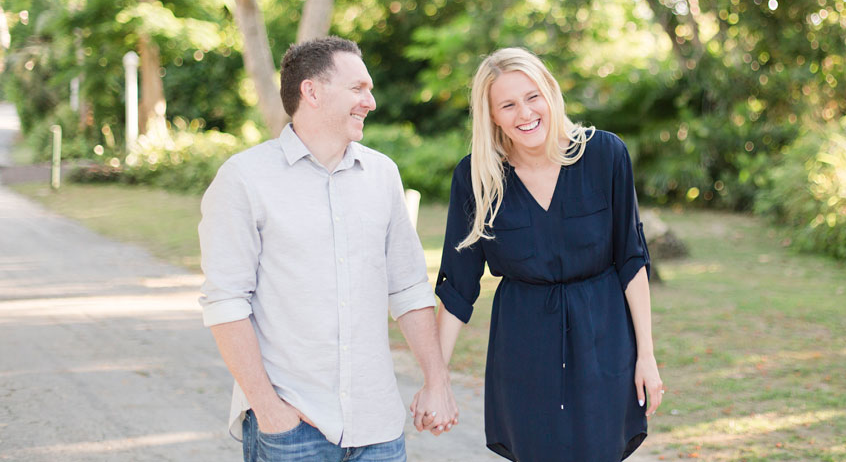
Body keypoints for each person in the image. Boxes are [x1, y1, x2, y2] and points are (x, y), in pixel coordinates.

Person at [198, 36, 457, 462]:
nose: (370, 102)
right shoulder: (244, 179)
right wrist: (269, 411)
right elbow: (226, 303)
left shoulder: (382, 175)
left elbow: (409, 289)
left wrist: (437, 381)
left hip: (378, 427)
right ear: (311, 92)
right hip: (292, 428)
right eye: (358, 88)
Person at [434, 47, 663, 462]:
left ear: (550, 94)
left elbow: (632, 261)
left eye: (532, 96)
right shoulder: (476, 178)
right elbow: (458, 286)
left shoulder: (605, 155)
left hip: (603, 340)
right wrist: (436, 378)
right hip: (524, 350)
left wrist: (646, 355)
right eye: (508, 104)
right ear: (492, 116)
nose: (524, 113)